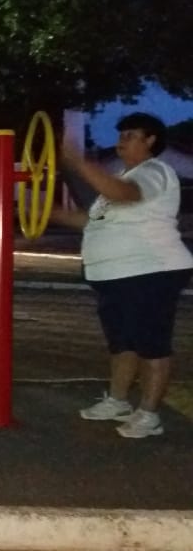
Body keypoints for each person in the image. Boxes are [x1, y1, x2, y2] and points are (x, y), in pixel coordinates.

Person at [52, 113, 193, 439]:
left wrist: (78, 162)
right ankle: (117, 401)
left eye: (130, 135)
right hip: (117, 275)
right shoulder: (121, 178)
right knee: (122, 343)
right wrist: (50, 212)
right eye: (121, 135)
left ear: (150, 141)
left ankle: (149, 415)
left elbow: (125, 194)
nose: (121, 141)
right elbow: (93, 221)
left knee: (151, 345)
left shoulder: (154, 171)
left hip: (151, 271)